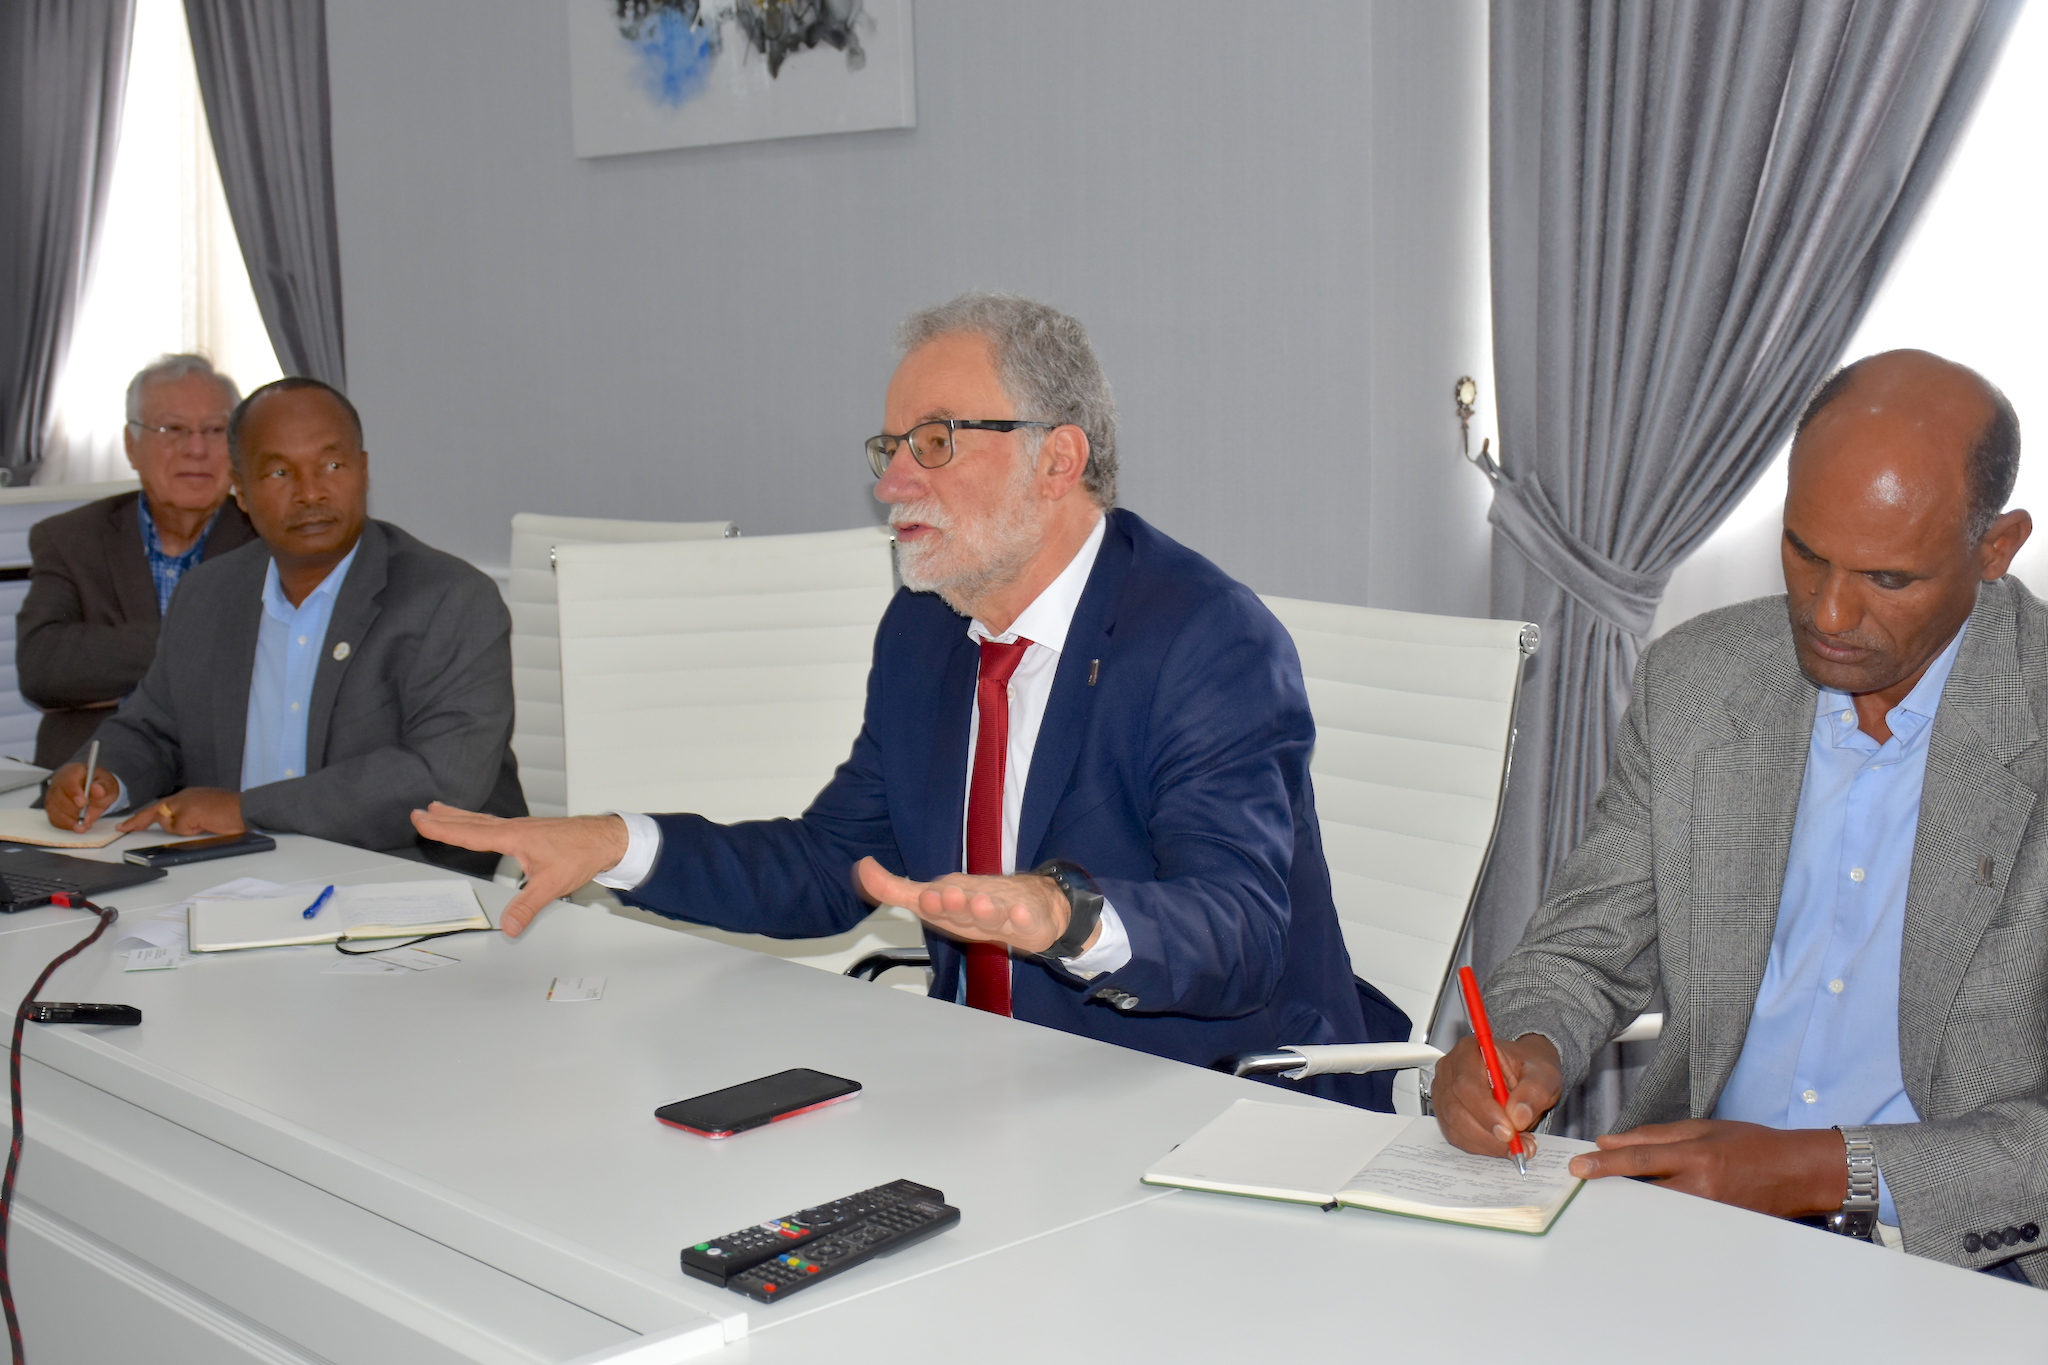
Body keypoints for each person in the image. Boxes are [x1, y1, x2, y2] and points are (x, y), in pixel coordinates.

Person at [413, 293, 1409, 1107]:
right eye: (888, 446)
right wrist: (619, 845)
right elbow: (831, 867)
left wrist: (1067, 914)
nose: (892, 482)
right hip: (986, 1087)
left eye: (933, 443)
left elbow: (1237, 931)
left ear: (1055, 459)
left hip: (1198, 1099)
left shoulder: (1203, 640)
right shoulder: (925, 630)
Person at [1434, 349, 2048, 1282]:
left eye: (1888, 580)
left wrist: (1820, 1169)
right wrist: (1518, 1048)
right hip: (1693, 1226)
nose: (1829, 612)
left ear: (1996, 548)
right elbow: (1581, 952)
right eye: (1805, 553)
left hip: (1956, 1259)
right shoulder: (1701, 682)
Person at [45, 376, 526, 875]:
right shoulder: (209, 594)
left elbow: (440, 779)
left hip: (404, 880)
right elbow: (154, 729)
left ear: (364, 471)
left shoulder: (449, 599)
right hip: (231, 876)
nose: (310, 492)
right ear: (242, 492)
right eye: (278, 473)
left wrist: (246, 811)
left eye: (332, 465)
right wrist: (104, 777)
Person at [18, 355, 259, 767]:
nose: (196, 448)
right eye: (173, 429)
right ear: (132, 445)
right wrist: (198, 644)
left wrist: (112, 659)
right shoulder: (71, 539)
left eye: (216, 430)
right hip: (91, 785)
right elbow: (44, 669)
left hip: (222, 787)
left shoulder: (267, 541)